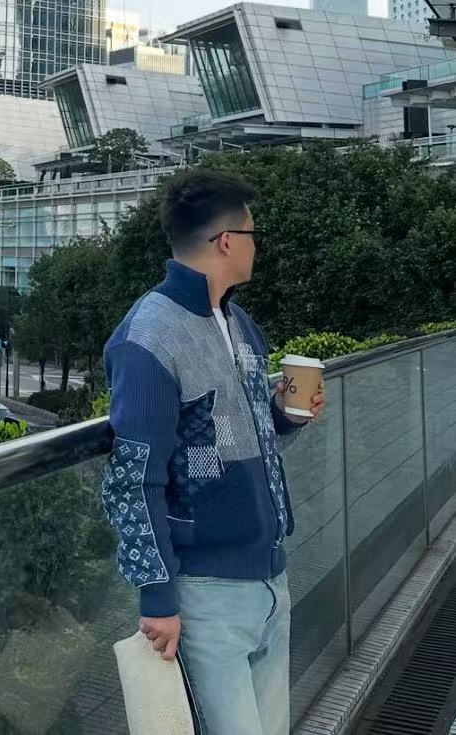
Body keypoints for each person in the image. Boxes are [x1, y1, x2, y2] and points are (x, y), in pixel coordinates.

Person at [102, 169, 325, 735]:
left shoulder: (237, 322)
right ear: (227, 241)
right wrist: (157, 598)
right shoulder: (148, 338)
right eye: (252, 234)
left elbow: (221, 438)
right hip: (206, 596)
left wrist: (284, 414)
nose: (256, 246)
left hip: (271, 582)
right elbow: (134, 479)